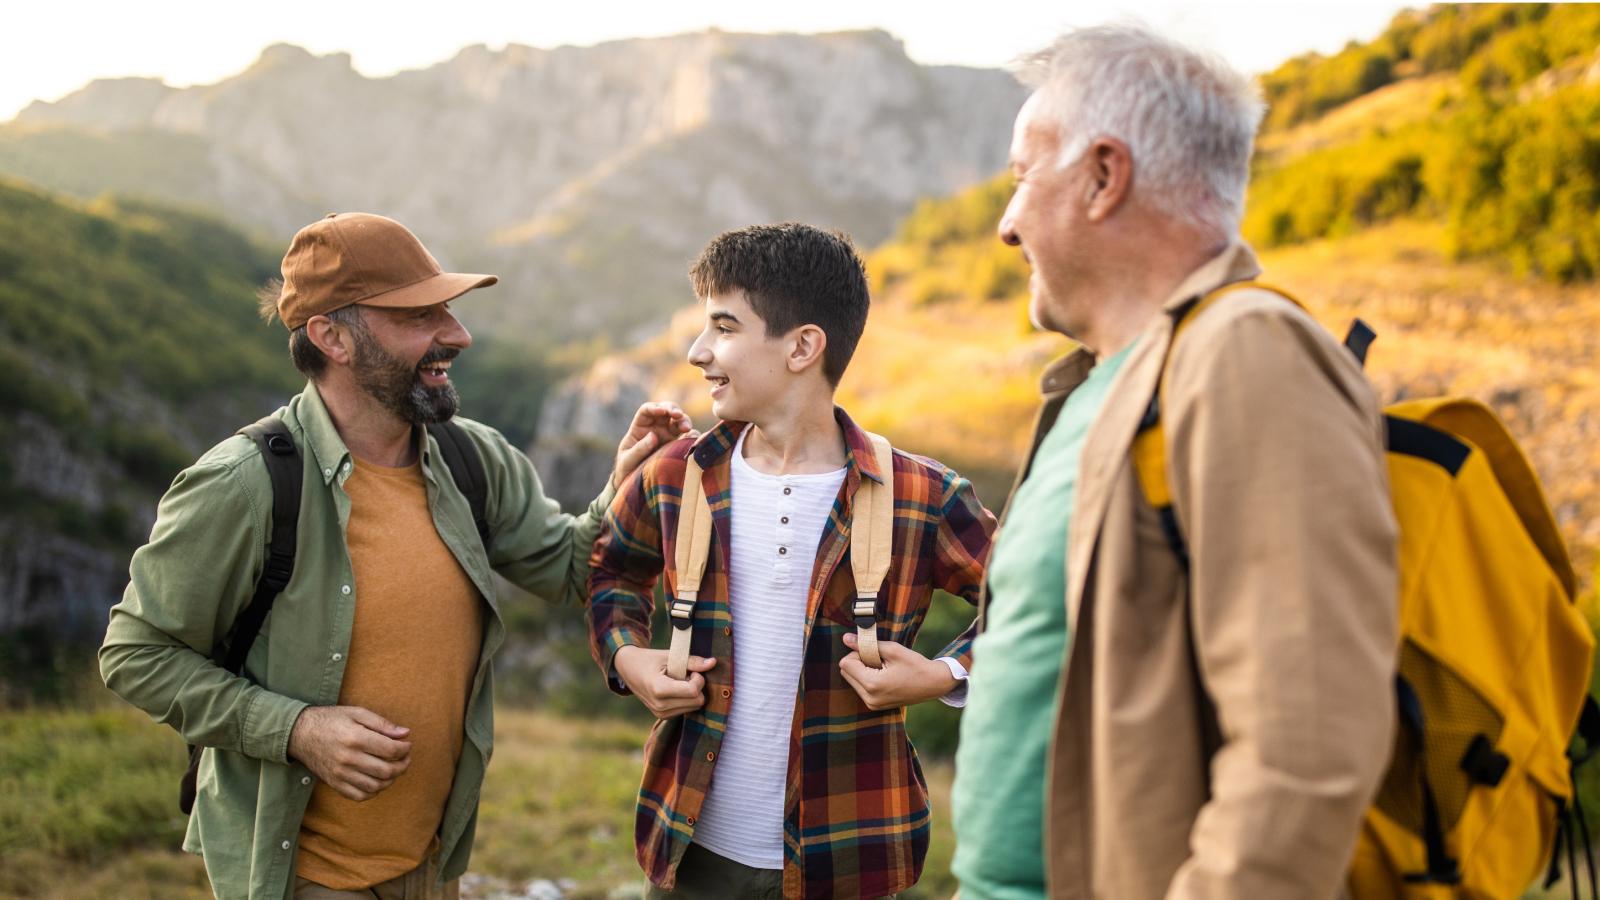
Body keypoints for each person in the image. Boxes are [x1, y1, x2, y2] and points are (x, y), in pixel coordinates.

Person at [99, 212, 690, 900]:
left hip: (430, 865)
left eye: (449, 309)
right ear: (331, 337)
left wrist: (623, 484)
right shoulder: (245, 484)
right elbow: (134, 653)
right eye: (420, 315)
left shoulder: (473, 457)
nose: (457, 334)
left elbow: (567, 566)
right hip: (304, 875)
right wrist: (296, 729)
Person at [950, 25, 1400, 900]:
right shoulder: (1097, 388)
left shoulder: (1248, 354)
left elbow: (1303, 749)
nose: (1005, 226)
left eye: (1019, 179)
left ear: (1102, 177)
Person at [586, 223, 997, 899]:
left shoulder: (923, 495)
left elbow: (1040, 601)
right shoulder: (675, 475)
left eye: (723, 327)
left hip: (852, 859)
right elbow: (611, 574)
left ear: (803, 346)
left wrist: (945, 674)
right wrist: (628, 658)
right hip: (690, 853)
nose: (697, 353)